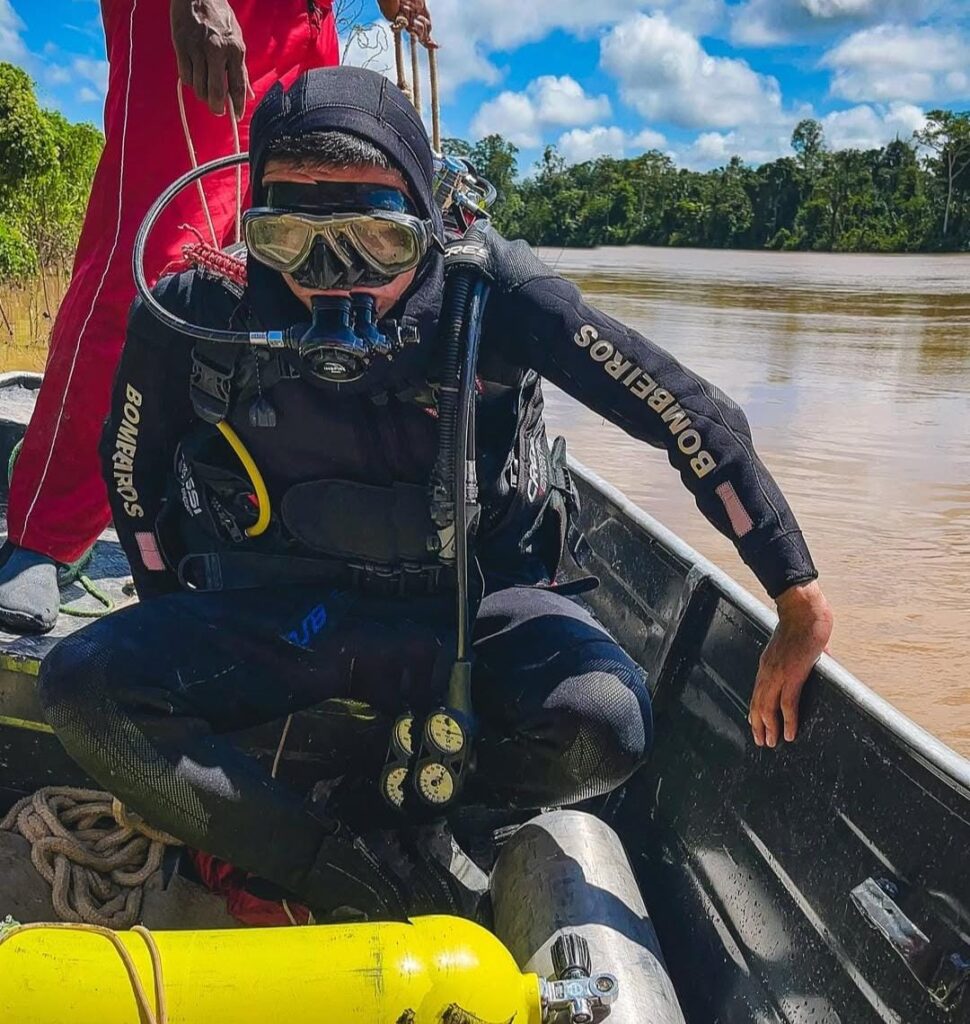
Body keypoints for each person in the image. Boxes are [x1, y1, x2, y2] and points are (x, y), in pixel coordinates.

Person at [37, 66, 833, 920]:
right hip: (292, 617)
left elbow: (686, 413)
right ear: (252, 232)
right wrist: (176, 618)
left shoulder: (494, 298)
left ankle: (381, 809)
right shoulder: (199, 308)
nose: (333, 279)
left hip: (472, 611)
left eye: (375, 242)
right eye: (292, 242)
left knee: (607, 724)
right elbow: (132, 472)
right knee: (83, 686)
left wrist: (796, 593)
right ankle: (324, 861)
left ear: (427, 225)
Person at [0, 0, 426, 634]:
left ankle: (259, 523)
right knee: (150, 260)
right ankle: (47, 531)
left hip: (304, 16)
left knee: (299, 248)